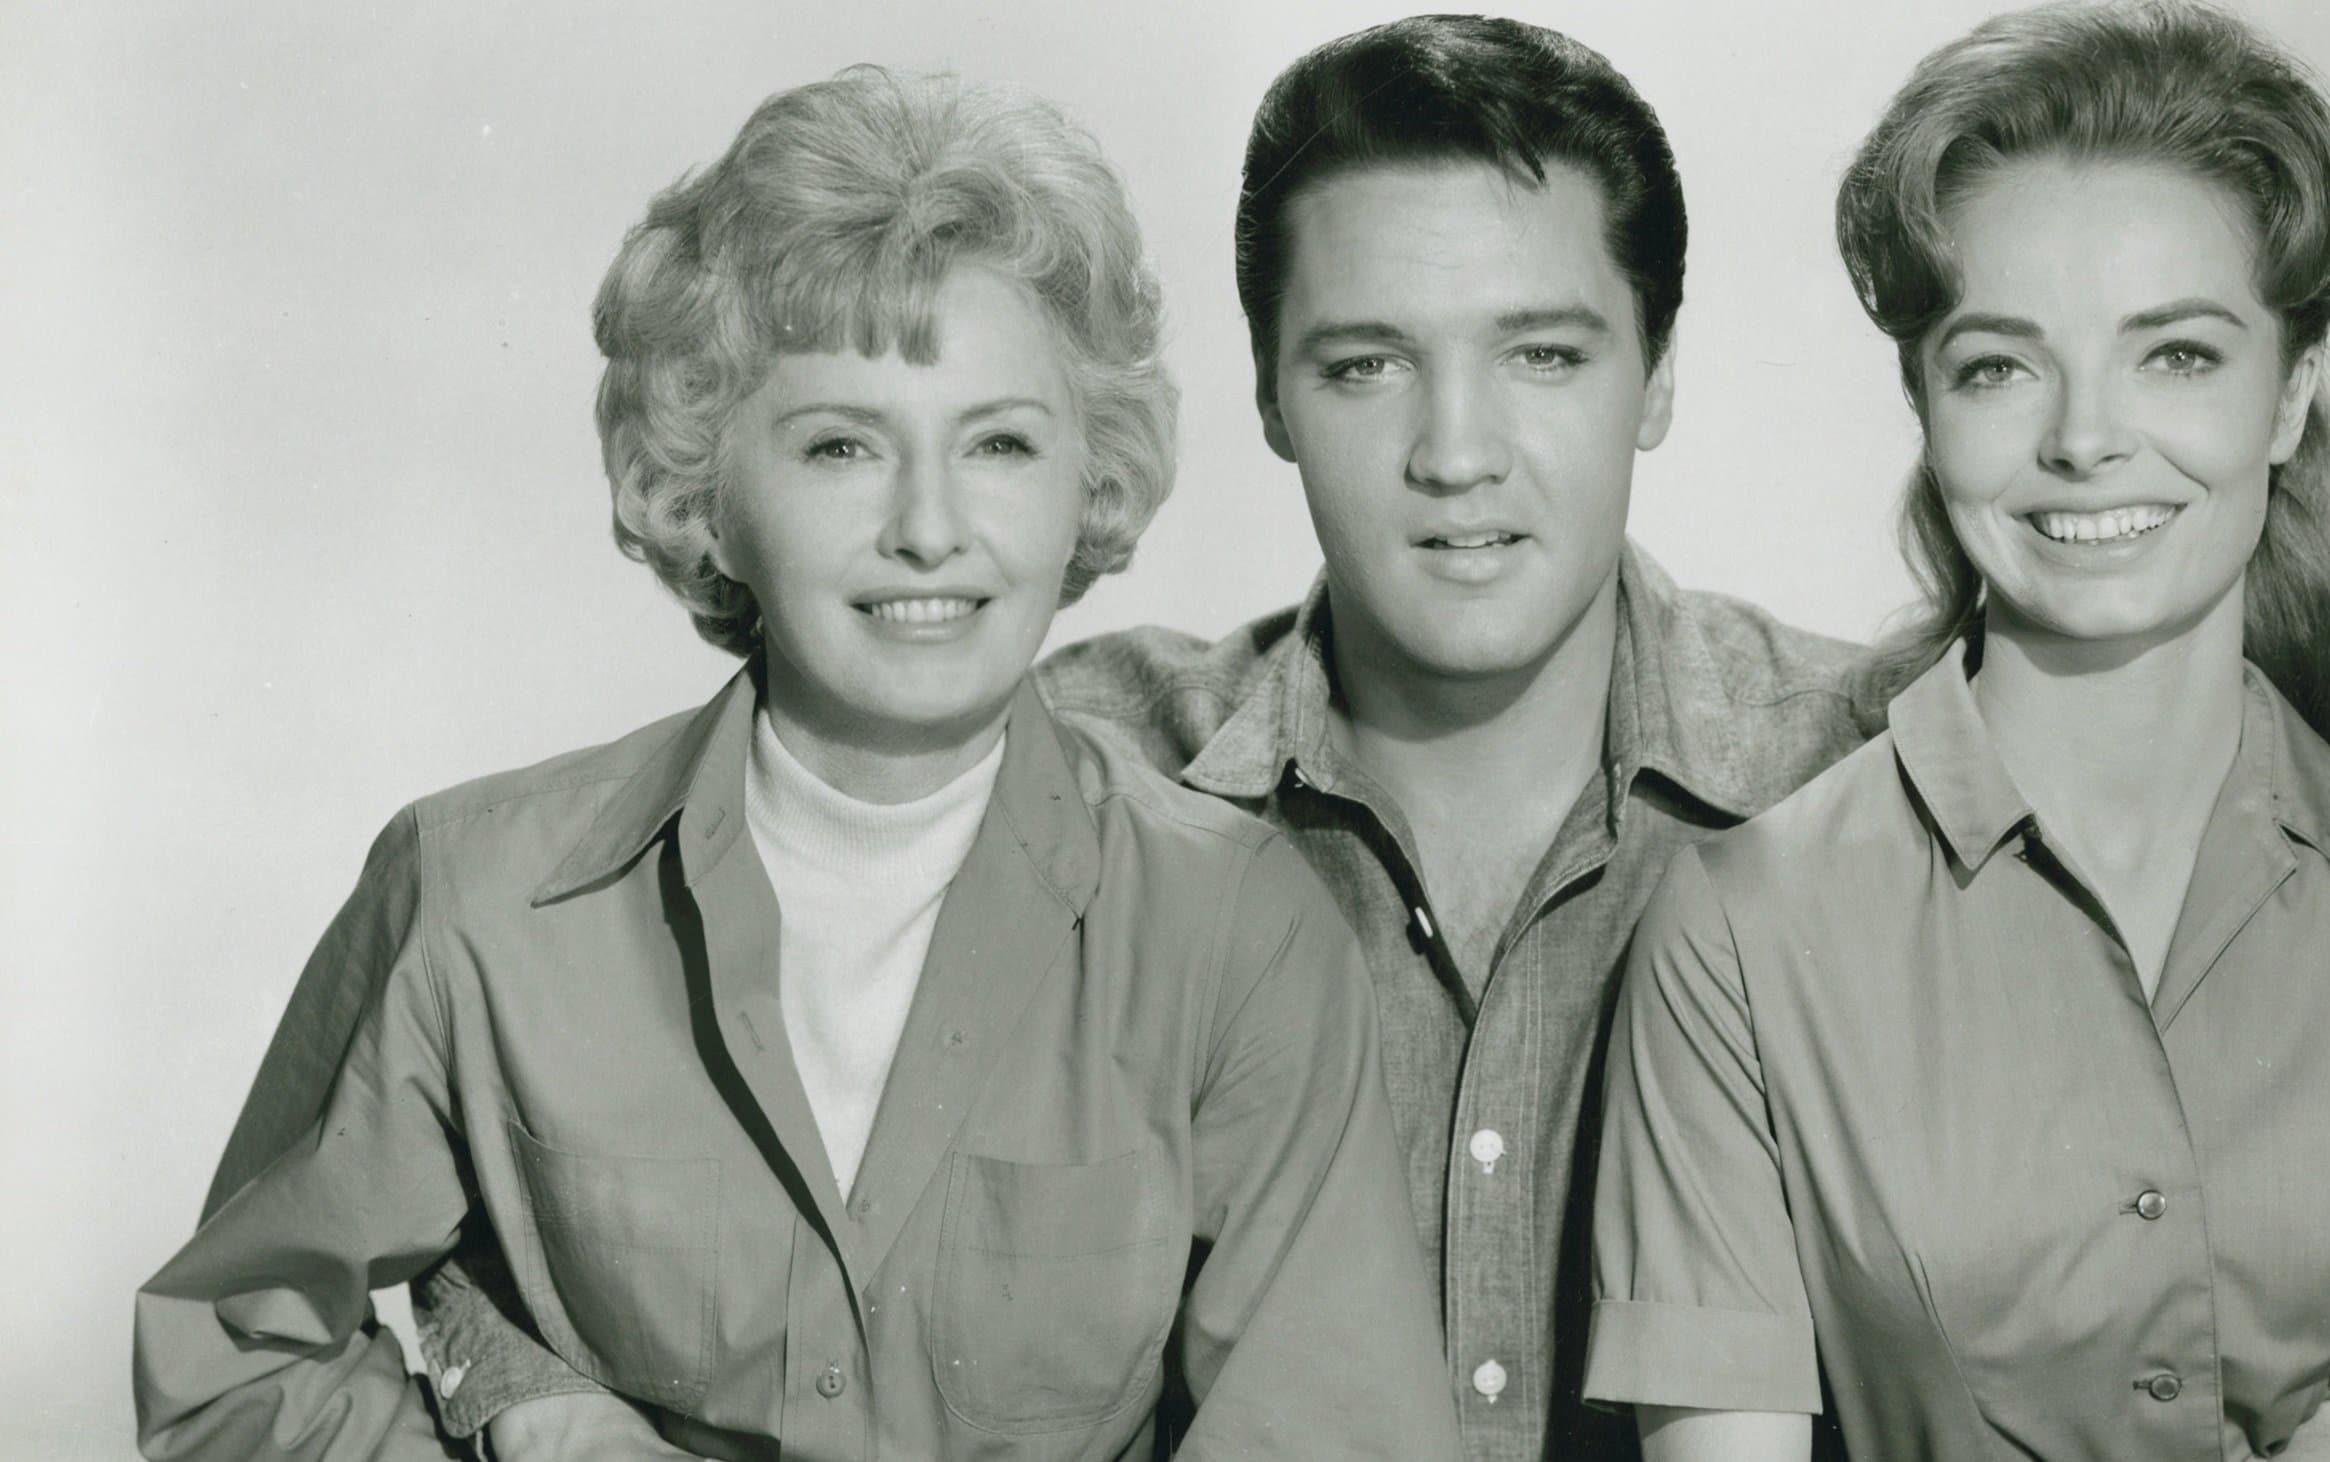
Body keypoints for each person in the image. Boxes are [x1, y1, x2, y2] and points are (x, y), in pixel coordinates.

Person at [282, 16, 2330, 1462]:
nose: (1460, 452)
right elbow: (593, 1169)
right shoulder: (1067, 764)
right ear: (1262, 395)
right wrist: (514, 1389)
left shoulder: (1884, 788)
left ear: (1658, 382)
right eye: (1365, 367)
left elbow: (2327, 1234)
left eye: (1545, 358)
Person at [132, 65, 1458, 1462]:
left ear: (1090, 477)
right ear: (704, 490)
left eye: (1000, 442)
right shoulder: (473, 897)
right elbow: (233, 1357)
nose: (929, 527)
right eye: (840, 446)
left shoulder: (1235, 929)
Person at [1583, 2, 2330, 1458]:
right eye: (1998, 363)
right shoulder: (1742, 936)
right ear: (1925, 404)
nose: (2083, 437)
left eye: (2174, 355)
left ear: (2289, 391)